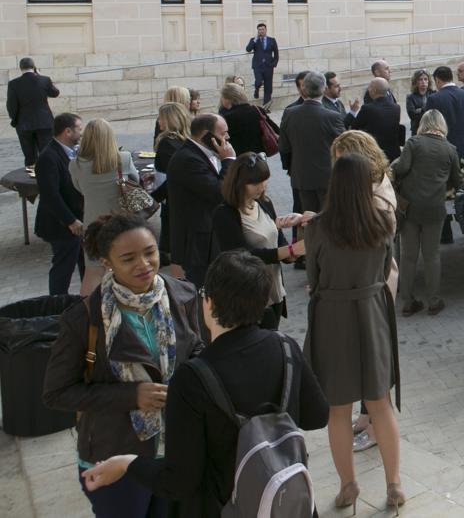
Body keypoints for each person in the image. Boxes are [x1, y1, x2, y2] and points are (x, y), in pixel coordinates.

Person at [78, 250, 328, 516]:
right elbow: (317, 416)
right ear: (264, 302)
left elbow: (179, 481)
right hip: (281, 502)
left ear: (209, 302)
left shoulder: (192, 378)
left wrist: (127, 464)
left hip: (226, 507)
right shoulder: (285, 347)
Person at [43, 213, 204, 517]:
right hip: (113, 453)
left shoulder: (182, 294)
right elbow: (56, 392)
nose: (143, 264)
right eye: (129, 258)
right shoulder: (83, 320)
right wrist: (132, 395)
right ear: (106, 262)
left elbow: (196, 347)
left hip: (176, 447)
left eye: (150, 252)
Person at [305, 153, 403, 511]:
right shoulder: (381, 222)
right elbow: (384, 269)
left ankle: (348, 485)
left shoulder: (317, 226)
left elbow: (313, 280)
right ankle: (394, 484)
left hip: (332, 315)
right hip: (373, 312)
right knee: (381, 405)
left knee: (338, 410)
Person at [211, 153, 301, 329]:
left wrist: (293, 252)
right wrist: (288, 251)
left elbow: (278, 241)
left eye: (264, 180)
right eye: (255, 183)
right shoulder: (225, 213)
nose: (261, 187)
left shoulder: (264, 203)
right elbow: (241, 255)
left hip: (274, 289)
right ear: (239, 183)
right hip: (249, 293)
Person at [391, 109, 462, 317]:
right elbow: (457, 180)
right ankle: (433, 300)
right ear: (441, 125)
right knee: (432, 256)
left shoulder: (413, 143)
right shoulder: (450, 149)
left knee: (408, 256)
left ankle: (407, 301)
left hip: (409, 208)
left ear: (423, 123)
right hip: (434, 208)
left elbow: (402, 168)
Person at [167, 113, 237, 287]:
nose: (227, 138)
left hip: (209, 238)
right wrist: (228, 160)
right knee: (202, 291)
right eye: (223, 133)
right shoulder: (188, 159)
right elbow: (218, 192)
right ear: (206, 134)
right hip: (197, 244)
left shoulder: (201, 153)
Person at [277, 72, 345, 213]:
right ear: (324, 89)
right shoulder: (333, 117)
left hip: (301, 176)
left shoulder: (289, 113)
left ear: (304, 89)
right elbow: (344, 148)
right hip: (327, 178)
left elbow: (283, 146)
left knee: (308, 221)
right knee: (329, 220)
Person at [35, 112, 86, 295]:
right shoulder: (49, 157)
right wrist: (70, 221)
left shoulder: (71, 152)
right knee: (63, 269)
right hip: (61, 225)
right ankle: (57, 306)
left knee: (85, 263)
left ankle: (86, 301)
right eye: (79, 129)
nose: (81, 133)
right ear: (67, 131)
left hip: (76, 220)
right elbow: (50, 195)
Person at [70, 117, 138, 231]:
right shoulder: (124, 158)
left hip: (92, 221)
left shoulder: (75, 164)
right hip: (121, 220)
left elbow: (79, 188)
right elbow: (135, 180)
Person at [152, 103, 191, 274]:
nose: (158, 121)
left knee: (177, 252)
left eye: (161, 118)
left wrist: (152, 199)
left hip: (176, 201)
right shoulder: (186, 140)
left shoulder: (167, 143)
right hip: (182, 199)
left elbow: (175, 177)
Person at [7, 56, 59, 166]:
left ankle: (30, 179)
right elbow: (55, 93)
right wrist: (41, 76)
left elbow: (11, 106)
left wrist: (15, 120)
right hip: (45, 123)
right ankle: (47, 178)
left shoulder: (13, 84)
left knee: (29, 156)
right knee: (47, 154)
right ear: (34, 67)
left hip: (24, 124)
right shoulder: (44, 80)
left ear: (20, 68)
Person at [345, 77, 404, 163]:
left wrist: (353, 112)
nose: (368, 89)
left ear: (374, 90)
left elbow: (354, 128)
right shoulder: (396, 108)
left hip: (375, 154)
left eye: (370, 87)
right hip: (393, 153)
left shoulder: (367, 108)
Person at [218, 83, 267, 157]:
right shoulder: (257, 110)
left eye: (222, 97)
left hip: (237, 159)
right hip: (259, 157)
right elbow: (275, 130)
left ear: (229, 99)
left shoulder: (226, 117)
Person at [244, 23, 279, 106]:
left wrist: (273, 64)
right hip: (257, 66)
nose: (261, 31)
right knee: (258, 81)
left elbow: (276, 54)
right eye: (259, 30)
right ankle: (256, 89)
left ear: (266, 30)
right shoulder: (254, 40)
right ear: (258, 31)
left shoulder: (272, 40)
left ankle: (266, 106)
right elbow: (248, 49)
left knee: (268, 86)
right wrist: (255, 39)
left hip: (268, 66)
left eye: (263, 29)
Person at [406, 69, 431, 133]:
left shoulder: (433, 94)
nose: (423, 82)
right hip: (417, 130)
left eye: (425, 79)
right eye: (420, 79)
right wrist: (427, 109)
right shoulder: (410, 97)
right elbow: (412, 115)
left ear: (429, 81)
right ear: (416, 82)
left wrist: (419, 110)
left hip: (431, 129)